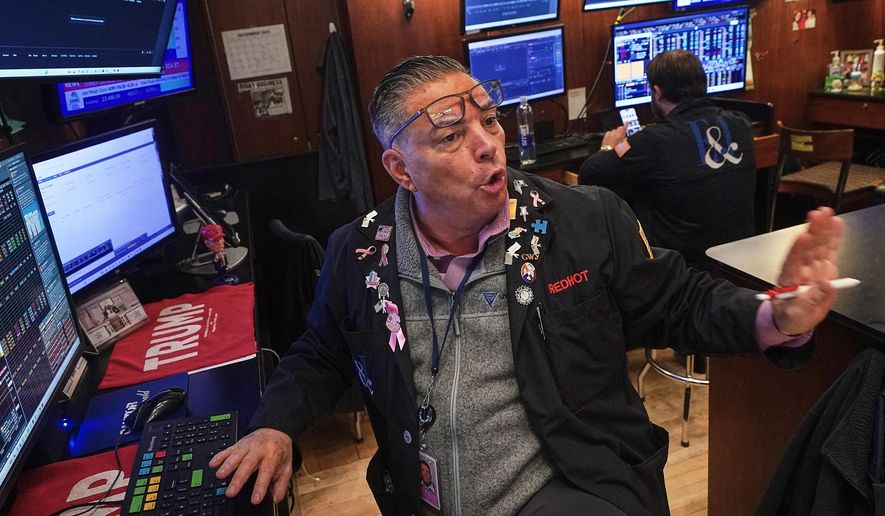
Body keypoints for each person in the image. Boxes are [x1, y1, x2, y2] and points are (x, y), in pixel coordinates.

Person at [208, 55, 843, 515]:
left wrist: (774, 317)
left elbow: (682, 301)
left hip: (573, 484)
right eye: (452, 135)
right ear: (401, 168)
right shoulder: (358, 252)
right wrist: (276, 426)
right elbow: (320, 352)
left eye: (488, 119)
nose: (489, 145)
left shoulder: (583, 217)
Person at [580, 50, 758, 267]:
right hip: (739, 262)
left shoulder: (653, 140)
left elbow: (590, 173)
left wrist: (609, 146)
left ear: (657, 91)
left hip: (683, 271)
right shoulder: (741, 124)